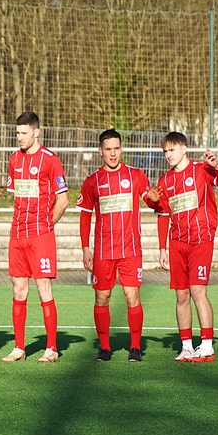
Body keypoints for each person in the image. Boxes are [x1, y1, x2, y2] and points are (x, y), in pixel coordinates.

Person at [147, 132, 218, 361]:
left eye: (172, 149)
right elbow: (163, 214)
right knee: (181, 295)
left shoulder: (202, 170)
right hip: (177, 243)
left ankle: (207, 346)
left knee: (197, 291)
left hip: (201, 239)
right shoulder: (165, 180)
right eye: (165, 151)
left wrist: (217, 167)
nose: (168, 155)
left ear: (184, 149)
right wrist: (162, 248)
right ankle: (186, 347)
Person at [78, 130, 153, 362]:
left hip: (130, 249)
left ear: (121, 149)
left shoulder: (135, 175)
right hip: (103, 251)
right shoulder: (92, 181)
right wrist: (85, 248)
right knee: (102, 298)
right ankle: (104, 348)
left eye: (116, 148)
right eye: (108, 149)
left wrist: (155, 199)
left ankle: (135, 347)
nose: (113, 153)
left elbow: (149, 199)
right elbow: (85, 215)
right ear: (100, 151)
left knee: (132, 297)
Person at [3, 112, 69, 363]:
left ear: (36, 132)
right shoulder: (13, 159)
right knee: (19, 289)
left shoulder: (51, 160)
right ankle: (19, 348)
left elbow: (63, 200)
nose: (19, 137)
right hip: (17, 235)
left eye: (24, 133)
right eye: (17, 133)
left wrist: (46, 225)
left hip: (40, 236)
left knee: (43, 288)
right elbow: (17, 196)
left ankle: (51, 348)